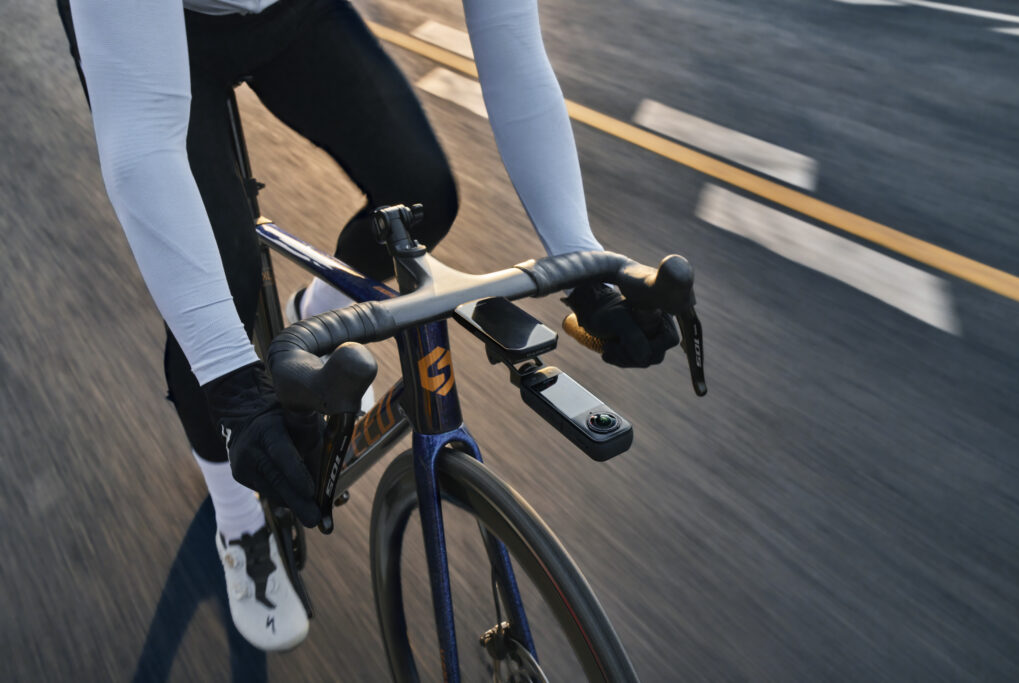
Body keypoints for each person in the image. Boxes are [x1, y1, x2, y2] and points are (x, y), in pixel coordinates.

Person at [58, 0, 679, 652]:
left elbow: (513, 50)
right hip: (150, 31)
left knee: (420, 192)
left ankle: (313, 317)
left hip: (288, 12)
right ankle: (239, 523)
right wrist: (234, 388)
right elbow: (142, 137)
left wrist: (584, 266)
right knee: (221, 285)